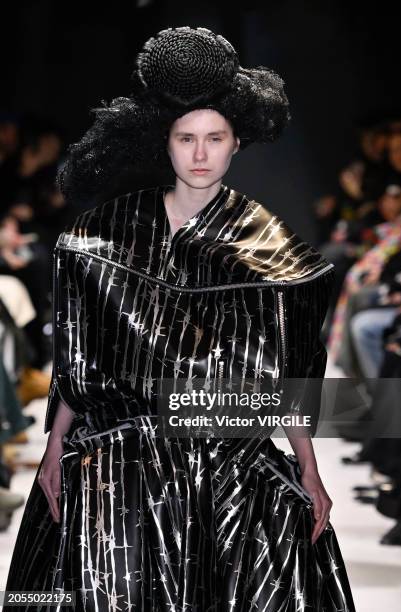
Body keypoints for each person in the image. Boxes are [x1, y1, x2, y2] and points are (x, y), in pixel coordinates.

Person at [5, 27, 356, 611]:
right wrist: (54, 446)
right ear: (161, 144)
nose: (199, 155)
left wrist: (309, 470)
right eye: (185, 138)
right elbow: (82, 352)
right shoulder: (106, 235)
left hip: (225, 457)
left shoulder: (270, 250)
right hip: (121, 456)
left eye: (214, 138)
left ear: (236, 143)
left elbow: (288, 371)